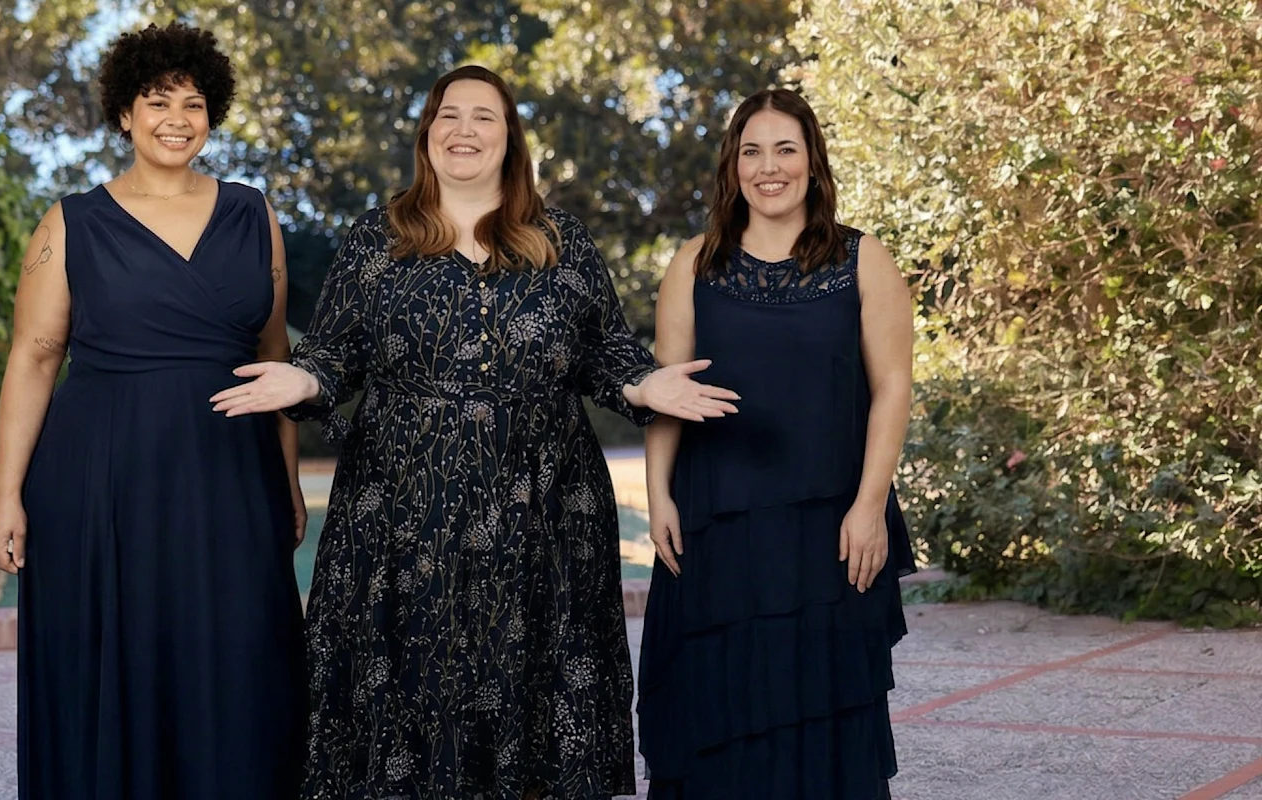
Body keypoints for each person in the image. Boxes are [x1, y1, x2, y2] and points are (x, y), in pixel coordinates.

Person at [210, 65, 738, 799]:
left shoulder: (562, 241)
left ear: (509, 138)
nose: (464, 130)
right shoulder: (376, 239)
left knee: (536, 698)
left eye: (484, 116)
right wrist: (303, 380)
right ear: (427, 134)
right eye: (448, 115)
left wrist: (646, 384)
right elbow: (335, 350)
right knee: (409, 693)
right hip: (402, 511)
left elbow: (604, 351)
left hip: (544, 509)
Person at [0, 23, 307, 800]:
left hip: (231, 477)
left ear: (212, 114)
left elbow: (274, 358)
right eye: (157, 101)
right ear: (124, 114)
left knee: (239, 661)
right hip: (102, 480)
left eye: (193, 103)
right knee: (112, 661)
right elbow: (33, 358)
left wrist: (289, 482)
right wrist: (6, 496)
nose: (176, 118)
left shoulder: (253, 214)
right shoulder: (69, 222)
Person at [635, 88, 916, 799]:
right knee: (716, 707)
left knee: (820, 706)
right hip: (716, 523)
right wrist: (658, 494)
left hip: (828, 527)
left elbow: (893, 388)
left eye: (785, 149)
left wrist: (870, 507)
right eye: (752, 152)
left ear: (812, 163)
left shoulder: (863, 259)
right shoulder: (693, 264)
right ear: (733, 167)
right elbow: (668, 393)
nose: (769, 168)